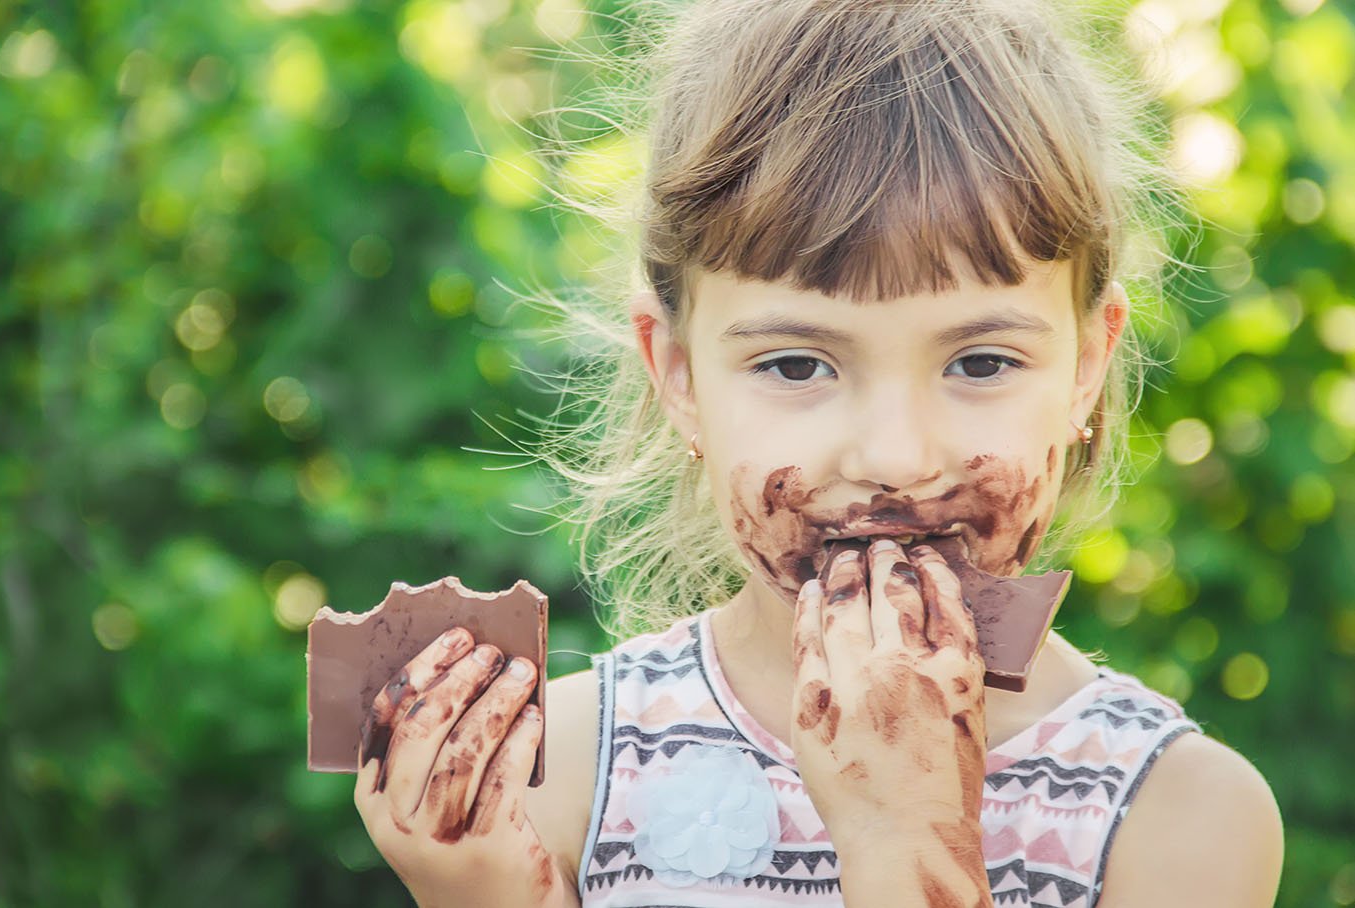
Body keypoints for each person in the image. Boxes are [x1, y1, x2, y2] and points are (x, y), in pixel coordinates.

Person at [350, 0, 1285, 905]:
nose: (892, 456)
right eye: (796, 364)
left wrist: (912, 850)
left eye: (980, 360)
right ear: (676, 375)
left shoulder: (1177, 817)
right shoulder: (560, 768)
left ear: (1085, 366)